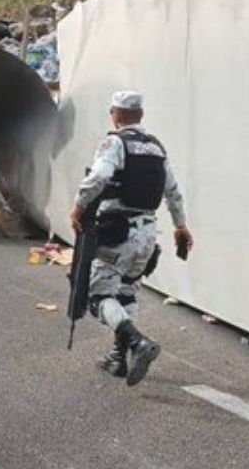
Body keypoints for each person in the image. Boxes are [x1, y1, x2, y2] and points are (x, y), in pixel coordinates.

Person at [70, 90, 193, 386]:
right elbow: (173, 192)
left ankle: (137, 343)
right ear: (141, 115)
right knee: (126, 292)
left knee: (98, 297)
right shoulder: (157, 149)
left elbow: (99, 177)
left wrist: (79, 205)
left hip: (119, 231)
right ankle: (117, 356)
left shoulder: (115, 142)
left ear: (117, 115)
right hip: (149, 234)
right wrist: (180, 226)